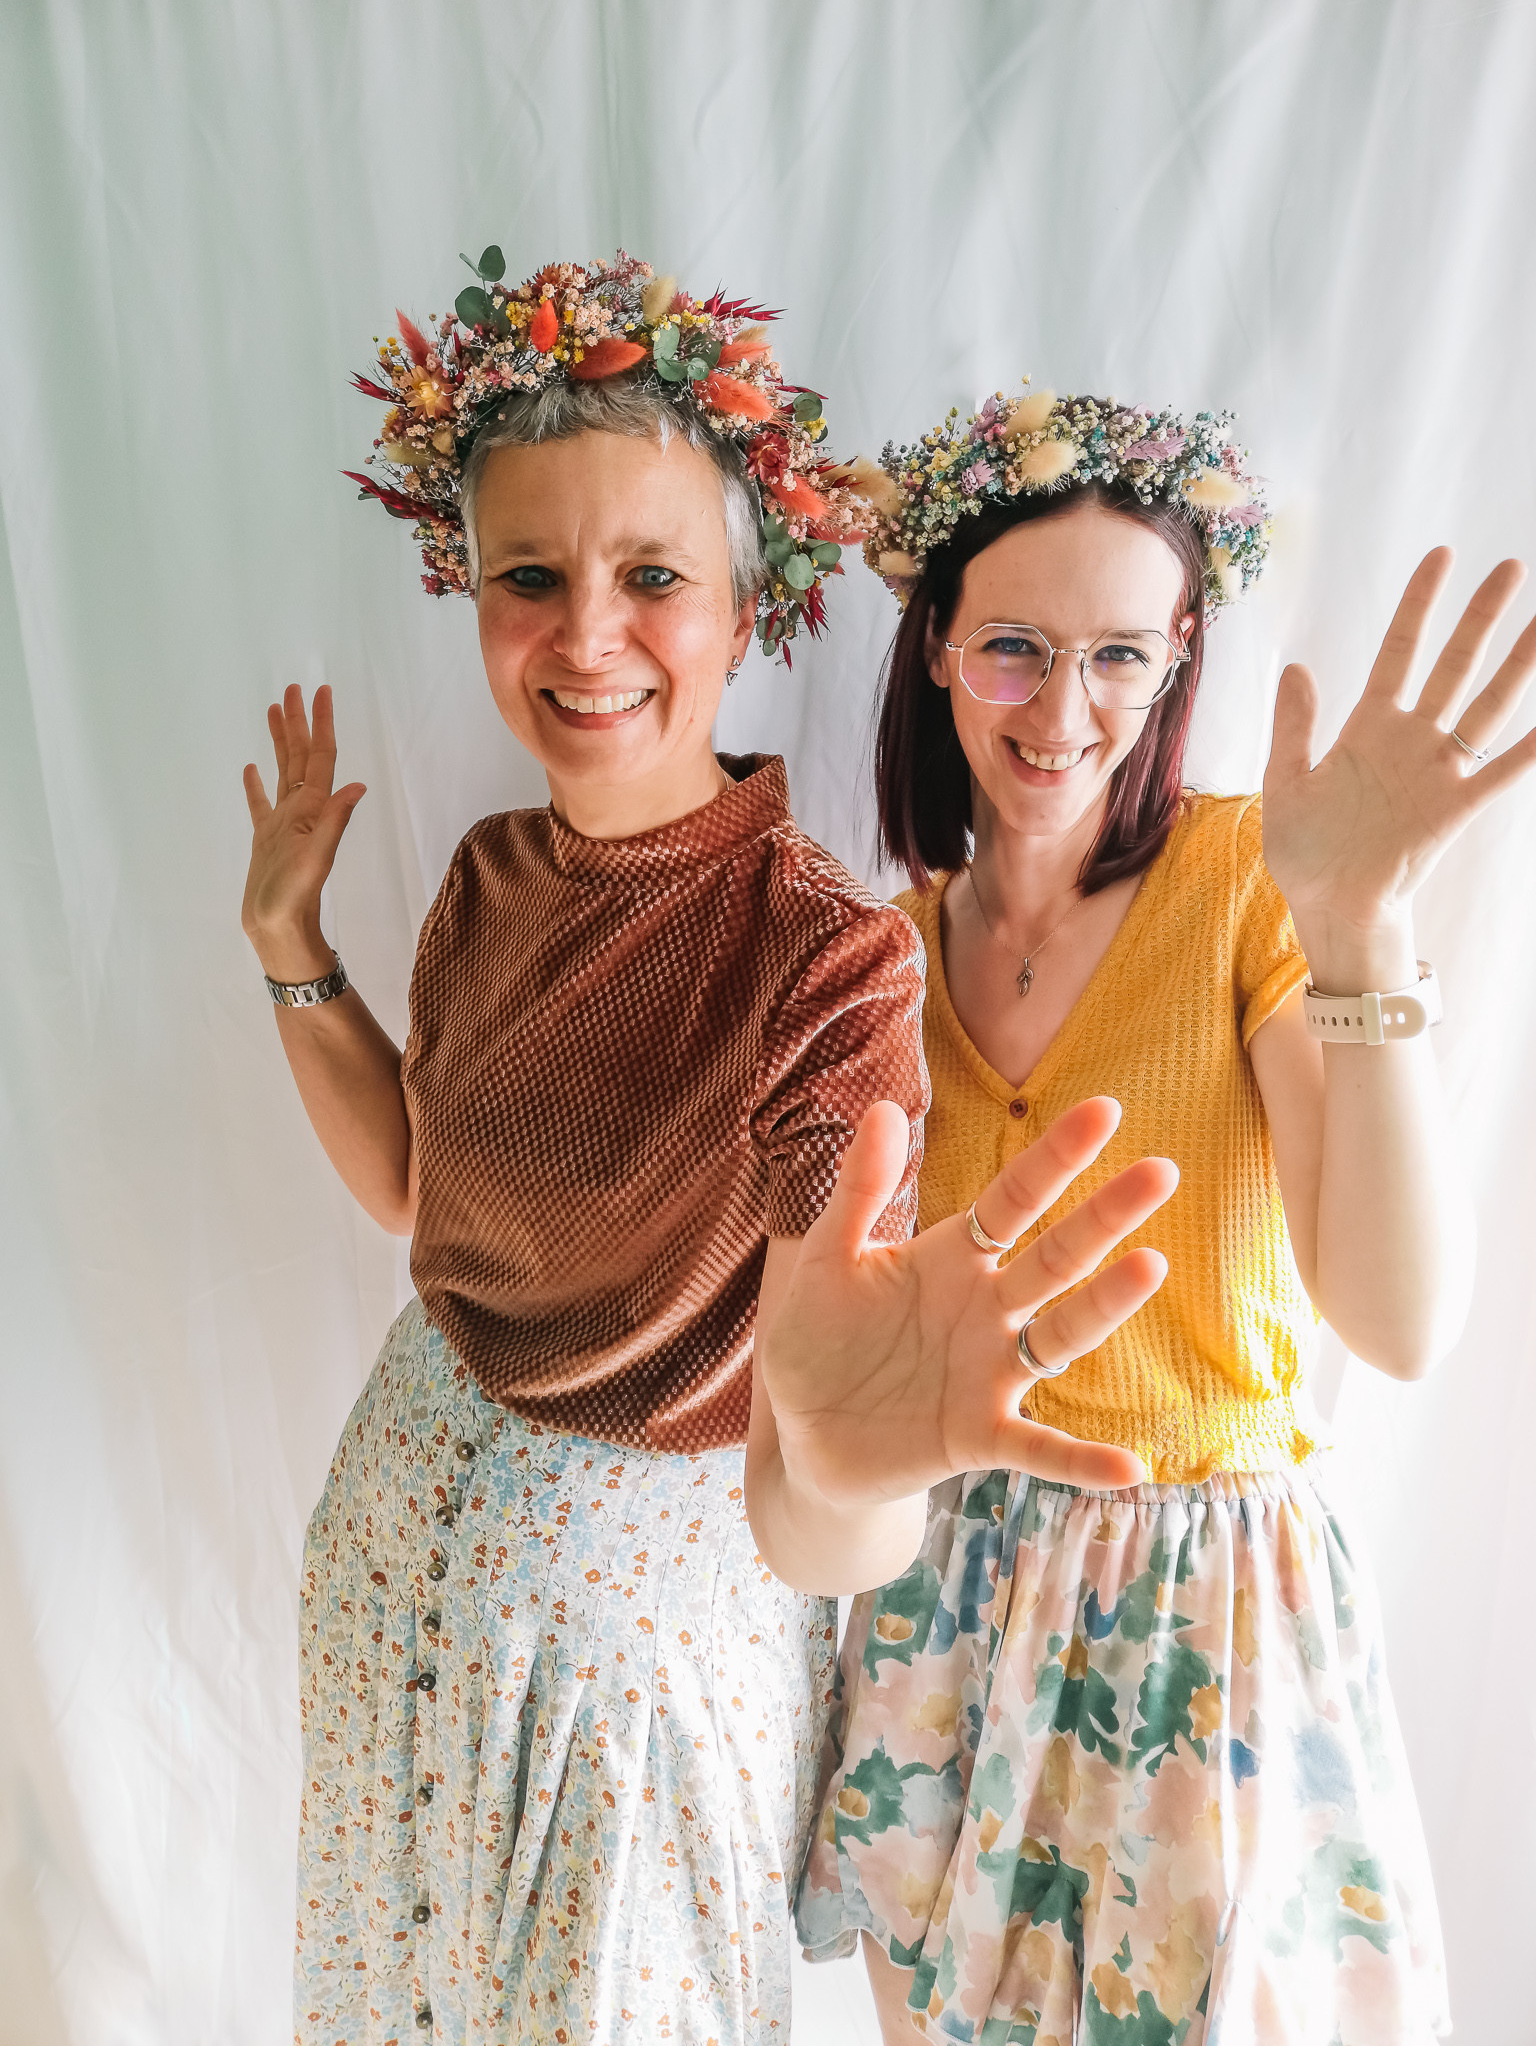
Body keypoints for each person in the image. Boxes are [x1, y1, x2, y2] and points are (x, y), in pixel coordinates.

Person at [242, 261, 1176, 2046]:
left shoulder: (823, 951)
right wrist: (297, 944)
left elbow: (827, 1409)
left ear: (749, 609)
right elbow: (423, 1198)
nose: (586, 635)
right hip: (396, 1588)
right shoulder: (488, 876)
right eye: (532, 577)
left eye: (652, 577)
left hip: (633, 1670)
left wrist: (847, 1456)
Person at [780, 383, 1536, 2042]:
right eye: (1014, 650)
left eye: (1123, 654)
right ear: (934, 650)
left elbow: (1397, 1320)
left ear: (1182, 660)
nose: (1065, 708)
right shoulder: (879, 951)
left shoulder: (1250, 883)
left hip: (1206, 1593)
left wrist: (1353, 934)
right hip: (946, 1592)